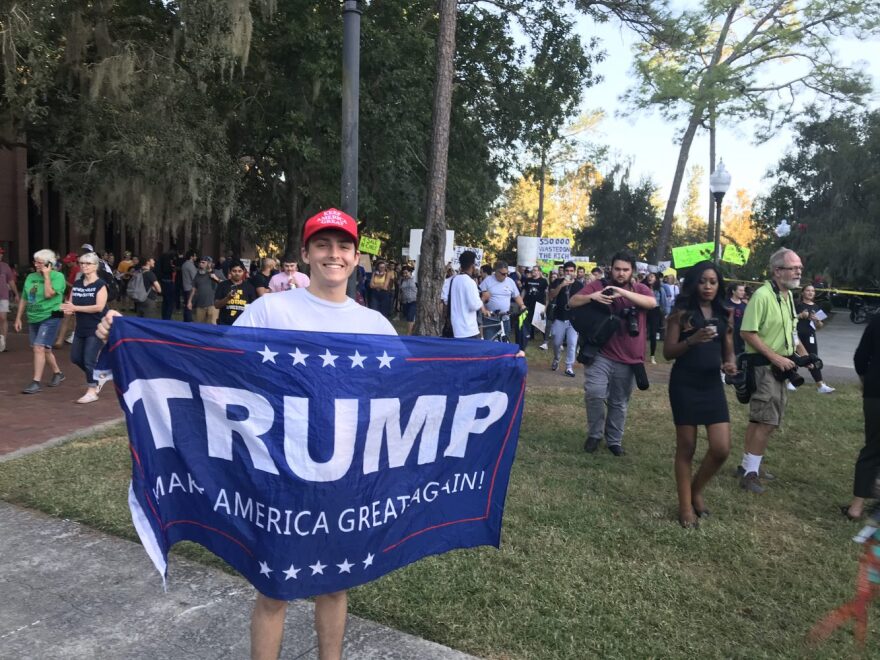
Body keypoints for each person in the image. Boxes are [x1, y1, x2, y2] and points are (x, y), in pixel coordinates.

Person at [97, 208, 396, 660]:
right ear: (306, 253)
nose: (333, 254)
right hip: (276, 473)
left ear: (356, 258)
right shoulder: (270, 310)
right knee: (274, 590)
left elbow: (404, 394)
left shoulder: (374, 326)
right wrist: (125, 333)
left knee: (334, 585)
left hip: (343, 480)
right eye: (323, 245)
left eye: (343, 247)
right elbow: (216, 368)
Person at [663, 262, 737, 527]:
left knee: (721, 448)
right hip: (684, 383)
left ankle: (696, 489)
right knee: (687, 447)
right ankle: (685, 506)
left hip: (711, 385)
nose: (708, 287)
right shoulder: (681, 313)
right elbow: (668, 352)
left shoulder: (723, 313)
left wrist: (730, 364)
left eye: (713, 282)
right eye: (703, 281)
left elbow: (728, 348)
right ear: (694, 283)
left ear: (719, 285)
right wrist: (692, 340)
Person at [736, 248, 815, 494]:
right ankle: (750, 475)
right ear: (777, 270)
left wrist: (803, 354)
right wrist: (775, 357)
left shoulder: (787, 295)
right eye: (794, 267)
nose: (799, 271)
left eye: (800, 267)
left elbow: (791, 331)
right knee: (767, 422)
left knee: (758, 419)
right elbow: (747, 332)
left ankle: (747, 466)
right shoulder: (762, 296)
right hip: (764, 367)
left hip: (780, 366)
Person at [568, 251, 657, 456]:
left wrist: (622, 292)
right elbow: (573, 301)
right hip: (601, 352)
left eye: (625, 270)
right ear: (611, 269)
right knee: (595, 393)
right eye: (617, 269)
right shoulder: (599, 286)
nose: (621, 273)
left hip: (630, 357)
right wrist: (592, 297)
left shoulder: (641, 289)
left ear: (632, 271)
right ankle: (595, 434)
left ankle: (614, 440)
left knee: (619, 401)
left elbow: (651, 304)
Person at [842, 314, 880, 520]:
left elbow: (860, 358)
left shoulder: (876, 320)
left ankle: (856, 508)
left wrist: (866, 382)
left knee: (872, 447)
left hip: (875, 392)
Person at [14, 249, 67, 394]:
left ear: (49, 264)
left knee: (39, 347)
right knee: (45, 349)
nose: (36, 264)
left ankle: (36, 382)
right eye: (35, 261)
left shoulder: (58, 277)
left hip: (51, 315)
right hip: (34, 316)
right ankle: (58, 373)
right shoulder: (31, 277)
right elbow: (25, 298)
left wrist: (47, 276)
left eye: (40, 262)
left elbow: (49, 294)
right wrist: (19, 317)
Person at [61, 252, 108, 403]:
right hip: (80, 328)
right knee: (75, 358)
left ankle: (92, 390)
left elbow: (99, 307)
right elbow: (71, 303)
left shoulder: (100, 285)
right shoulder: (78, 284)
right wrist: (68, 308)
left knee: (88, 360)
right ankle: (99, 376)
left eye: (87, 263)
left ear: (95, 266)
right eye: (81, 263)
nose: (84, 266)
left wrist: (76, 308)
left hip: (96, 328)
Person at [794, 283, 835, 393]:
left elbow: (820, 326)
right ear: (802, 292)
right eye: (808, 290)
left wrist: (816, 320)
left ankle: (820, 385)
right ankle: (791, 382)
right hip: (796, 335)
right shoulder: (797, 305)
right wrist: (800, 316)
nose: (810, 292)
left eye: (812, 291)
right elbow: (789, 318)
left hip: (810, 336)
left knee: (813, 359)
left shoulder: (816, 307)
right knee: (794, 358)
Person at [548, 261, 583, 377]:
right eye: (567, 271)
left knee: (572, 343)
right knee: (557, 343)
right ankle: (557, 358)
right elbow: (551, 295)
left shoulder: (579, 285)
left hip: (574, 319)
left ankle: (569, 366)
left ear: (575, 271)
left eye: (571, 271)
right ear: (563, 271)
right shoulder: (557, 282)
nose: (569, 273)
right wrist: (561, 285)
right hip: (560, 317)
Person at [441, 251, 486, 339]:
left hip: (453, 329)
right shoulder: (470, 282)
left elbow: (445, 300)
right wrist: (483, 298)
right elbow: (474, 305)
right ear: (473, 265)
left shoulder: (451, 280)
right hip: (468, 330)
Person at [479, 261, 524, 343]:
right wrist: (484, 310)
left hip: (505, 318)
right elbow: (479, 298)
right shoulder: (487, 281)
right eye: (503, 274)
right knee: (489, 343)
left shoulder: (510, 281)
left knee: (505, 343)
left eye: (507, 273)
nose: (505, 276)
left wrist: (522, 305)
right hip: (490, 319)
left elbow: (516, 296)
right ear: (496, 271)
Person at [214, 260, 257, 325]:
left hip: (242, 324)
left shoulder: (250, 287)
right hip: (224, 324)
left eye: (240, 271)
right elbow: (216, 305)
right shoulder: (222, 285)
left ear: (243, 272)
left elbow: (253, 308)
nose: (237, 273)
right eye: (234, 271)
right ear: (230, 272)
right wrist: (228, 298)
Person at [522, 265, 549, 350]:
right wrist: (521, 301)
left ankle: (545, 341)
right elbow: (524, 290)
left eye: (535, 270)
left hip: (540, 305)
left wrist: (545, 305)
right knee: (527, 321)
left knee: (541, 323)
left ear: (539, 272)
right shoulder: (528, 280)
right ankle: (528, 336)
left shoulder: (543, 281)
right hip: (528, 304)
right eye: (533, 270)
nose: (533, 271)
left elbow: (546, 294)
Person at [644, 272, 668, 365]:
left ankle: (652, 356)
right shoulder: (644, 288)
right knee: (642, 333)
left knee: (653, 334)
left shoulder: (660, 289)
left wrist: (665, 314)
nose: (650, 278)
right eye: (649, 276)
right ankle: (640, 354)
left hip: (655, 311)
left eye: (652, 276)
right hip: (645, 310)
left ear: (656, 279)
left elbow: (664, 303)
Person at [188, 257, 220, 324]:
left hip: (213, 305)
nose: (201, 264)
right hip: (200, 305)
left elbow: (224, 284)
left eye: (203, 262)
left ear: (209, 264)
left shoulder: (216, 272)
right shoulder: (197, 275)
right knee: (199, 326)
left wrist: (216, 278)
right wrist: (189, 301)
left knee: (212, 326)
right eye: (200, 262)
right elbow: (193, 289)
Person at [0, 246, 19, 353]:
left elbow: (11, 281)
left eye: (1, 253)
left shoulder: (5, 266)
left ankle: (3, 342)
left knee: (3, 318)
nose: (0, 255)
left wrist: (16, 294)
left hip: (3, 296)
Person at [156, 245, 178, 320]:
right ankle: (167, 317)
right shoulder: (171, 258)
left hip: (163, 280)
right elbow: (170, 268)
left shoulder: (162, 257)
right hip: (169, 280)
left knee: (165, 300)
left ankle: (164, 316)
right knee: (170, 302)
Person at [727, 283, 748, 356]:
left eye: (744, 290)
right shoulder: (726, 304)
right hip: (729, 336)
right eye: (740, 290)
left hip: (741, 338)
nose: (743, 292)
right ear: (733, 291)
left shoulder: (745, 305)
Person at [179, 250, 198, 322]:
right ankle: (189, 320)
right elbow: (195, 277)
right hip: (190, 288)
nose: (196, 257)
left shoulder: (184, 264)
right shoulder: (190, 265)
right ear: (191, 257)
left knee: (186, 304)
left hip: (185, 287)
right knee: (189, 305)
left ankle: (186, 320)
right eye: (195, 256)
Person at [398, 265, 418, 334]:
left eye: (406, 273)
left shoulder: (415, 279)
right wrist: (399, 301)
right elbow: (400, 291)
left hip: (414, 301)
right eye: (403, 273)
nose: (405, 274)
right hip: (405, 302)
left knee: (410, 317)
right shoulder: (402, 280)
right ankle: (412, 331)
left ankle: (408, 334)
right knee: (409, 318)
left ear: (410, 272)